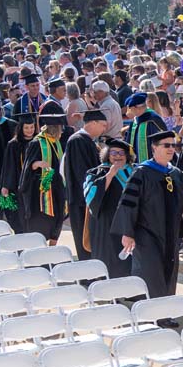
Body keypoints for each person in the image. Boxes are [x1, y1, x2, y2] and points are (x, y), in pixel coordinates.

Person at [111, 130, 183, 297]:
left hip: (171, 235)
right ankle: (151, 313)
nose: (171, 148)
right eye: (166, 145)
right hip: (147, 235)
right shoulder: (142, 173)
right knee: (150, 274)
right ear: (154, 147)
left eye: (174, 145)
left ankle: (166, 311)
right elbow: (128, 203)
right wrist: (127, 233)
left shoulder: (176, 174)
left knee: (169, 273)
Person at [82, 138, 135, 277]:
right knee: (110, 259)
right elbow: (90, 197)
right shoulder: (97, 172)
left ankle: (132, 292)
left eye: (122, 153)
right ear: (107, 155)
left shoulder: (136, 171)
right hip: (107, 225)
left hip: (132, 223)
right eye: (113, 153)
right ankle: (111, 292)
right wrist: (110, 175)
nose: (118, 156)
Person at [61, 109, 109, 259]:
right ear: (93, 123)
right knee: (84, 239)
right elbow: (83, 173)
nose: (104, 129)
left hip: (87, 199)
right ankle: (89, 276)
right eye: (102, 125)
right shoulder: (78, 141)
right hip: (82, 200)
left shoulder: (86, 141)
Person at [18, 113, 68, 243]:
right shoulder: (37, 143)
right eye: (60, 128)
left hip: (57, 186)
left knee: (57, 216)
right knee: (42, 219)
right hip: (40, 190)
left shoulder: (56, 142)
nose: (62, 130)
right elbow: (28, 166)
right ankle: (38, 245)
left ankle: (53, 243)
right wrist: (38, 164)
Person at [0, 114, 36, 232]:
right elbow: (8, 166)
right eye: (26, 128)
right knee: (20, 213)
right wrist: (5, 185)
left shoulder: (38, 142)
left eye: (32, 127)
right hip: (18, 185)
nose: (30, 130)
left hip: (35, 184)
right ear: (21, 128)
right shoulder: (13, 144)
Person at [124, 92, 166, 164]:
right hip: (136, 162)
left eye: (131, 109)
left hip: (153, 162)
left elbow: (163, 141)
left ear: (135, 108)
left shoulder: (153, 119)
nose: (130, 112)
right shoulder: (135, 120)